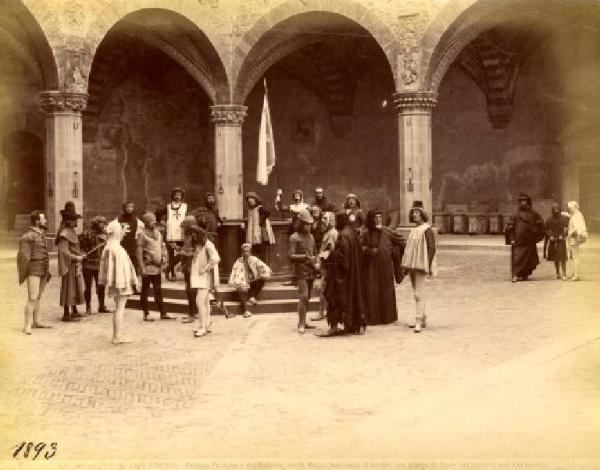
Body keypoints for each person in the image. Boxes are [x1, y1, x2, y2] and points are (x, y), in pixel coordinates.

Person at [318, 211, 366, 336]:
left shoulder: (343, 235)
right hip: (353, 273)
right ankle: (356, 326)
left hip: (342, 274)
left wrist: (329, 255)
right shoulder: (351, 232)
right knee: (354, 298)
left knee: (333, 296)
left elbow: (342, 258)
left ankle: (333, 327)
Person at [360, 209, 404, 325]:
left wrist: (396, 252)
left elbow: (401, 241)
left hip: (385, 269)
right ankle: (373, 319)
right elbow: (359, 247)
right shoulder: (365, 233)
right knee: (372, 291)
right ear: (371, 220)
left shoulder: (387, 231)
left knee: (386, 291)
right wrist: (369, 250)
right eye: (376, 218)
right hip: (371, 269)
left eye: (380, 217)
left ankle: (388, 318)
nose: (378, 220)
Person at [99, 220, 140, 344]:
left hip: (115, 281)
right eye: (121, 231)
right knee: (120, 308)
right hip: (120, 282)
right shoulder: (116, 248)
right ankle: (117, 336)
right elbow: (121, 268)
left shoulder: (109, 245)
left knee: (118, 308)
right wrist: (127, 283)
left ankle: (117, 334)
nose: (123, 234)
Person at [401, 202, 436, 333]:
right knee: (416, 292)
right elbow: (409, 249)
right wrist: (405, 265)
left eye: (417, 212)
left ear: (422, 214)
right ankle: (423, 317)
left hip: (421, 264)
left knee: (418, 293)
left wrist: (427, 264)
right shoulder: (413, 230)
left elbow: (432, 248)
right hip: (412, 264)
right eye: (413, 212)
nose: (414, 214)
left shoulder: (427, 229)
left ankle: (418, 320)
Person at [17, 210, 52, 334]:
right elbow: (24, 257)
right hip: (34, 269)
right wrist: (25, 272)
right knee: (32, 297)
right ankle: (27, 325)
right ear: (37, 221)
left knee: (38, 296)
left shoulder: (41, 234)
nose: (45, 220)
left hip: (43, 269)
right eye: (43, 219)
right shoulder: (27, 237)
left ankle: (37, 321)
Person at [136, 212, 175, 322]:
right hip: (147, 268)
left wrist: (164, 258)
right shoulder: (142, 234)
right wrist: (142, 267)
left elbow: (162, 247)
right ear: (146, 222)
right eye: (151, 221)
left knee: (158, 291)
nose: (154, 222)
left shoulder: (158, 232)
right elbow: (138, 252)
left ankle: (163, 313)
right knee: (145, 291)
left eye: (154, 220)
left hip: (157, 268)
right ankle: (146, 313)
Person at [288, 209, 319, 334]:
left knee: (308, 297)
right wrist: (304, 257)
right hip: (300, 271)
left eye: (310, 224)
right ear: (301, 223)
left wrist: (316, 262)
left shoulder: (311, 237)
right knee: (303, 296)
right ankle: (300, 323)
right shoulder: (294, 237)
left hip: (310, 270)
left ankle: (304, 321)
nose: (309, 226)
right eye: (307, 224)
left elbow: (315, 252)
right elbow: (290, 255)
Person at [504, 193, 545, 282]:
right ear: (519, 203)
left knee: (528, 259)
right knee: (517, 258)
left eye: (525, 201)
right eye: (521, 201)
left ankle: (524, 274)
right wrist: (511, 239)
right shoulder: (515, 215)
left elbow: (540, 224)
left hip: (529, 240)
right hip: (518, 241)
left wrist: (536, 234)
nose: (523, 203)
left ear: (527, 202)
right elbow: (510, 228)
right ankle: (515, 275)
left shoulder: (534, 214)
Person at [189, 224, 220, 337]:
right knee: (205, 301)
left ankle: (202, 327)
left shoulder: (207, 244)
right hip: (198, 277)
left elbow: (216, 259)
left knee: (199, 301)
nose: (192, 236)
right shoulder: (196, 245)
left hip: (206, 276)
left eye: (193, 233)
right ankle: (206, 323)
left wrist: (206, 268)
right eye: (191, 234)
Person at [56, 205, 86, 322]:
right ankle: (66, 313)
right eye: (74, 219)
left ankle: (74, 310)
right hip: (69, 265)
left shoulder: (71, 231)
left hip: (75, 265)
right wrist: (77, 257)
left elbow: (75, 248)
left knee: (76, 288)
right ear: (68, 220)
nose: (76, 221)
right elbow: (64, 252)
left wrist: (81, 253)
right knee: (69, 288)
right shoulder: (64, 233)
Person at [228, 243, 272, 318]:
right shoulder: (238, 261)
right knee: (241, 289)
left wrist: (262, 274)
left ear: (250, 252)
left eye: (247, 251)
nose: (246, 253)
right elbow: (234, 272)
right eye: (244, 251)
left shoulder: (254, 259)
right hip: (242, 282)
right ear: (242, 252)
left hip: (252, 282)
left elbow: (264, 267)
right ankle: (245, 311)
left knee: (262, 279)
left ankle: (252, 297)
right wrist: (236, 282)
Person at [79, 215, 110, 314]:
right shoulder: (86, 233)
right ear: (96, 224)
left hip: (99, 264)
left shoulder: (105, 235)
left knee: (101, 285)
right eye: (102, 223)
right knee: (88, 286)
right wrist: (82, 253)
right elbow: (80, 246)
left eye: (105, 223)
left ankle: (101, 306)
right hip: (88, 264)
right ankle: (88, 307)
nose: (104, 225)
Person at [311, 211, 337, 322]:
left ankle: (323, 313)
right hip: (325, 266)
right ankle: (322, 312)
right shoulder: (327, 232)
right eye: (323, 218)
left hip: (329, 266)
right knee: (322, 290)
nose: (322, 220)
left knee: (324, 290)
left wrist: (320, 260)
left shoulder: (332, 233)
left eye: (325, 218)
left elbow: (331, 251)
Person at [116, 201, 144, 292]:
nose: (129, 209)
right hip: (122, 246)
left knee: (134, 266)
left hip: (132, 246)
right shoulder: (119, 219)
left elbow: (139, 233)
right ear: (124, 208)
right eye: (128, 207)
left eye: (131, 207)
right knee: (123, 266)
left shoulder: (136, 221)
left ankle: (134, 286)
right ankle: (123, 286)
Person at [161, 187, 188, 281]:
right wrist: (163, 222)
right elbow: (159, 215)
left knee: (183, 253)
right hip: (171, 234)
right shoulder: (168, 207)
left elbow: (188, 218)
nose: (178, 196)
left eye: (179, 195)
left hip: (182, 233)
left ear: (182, 196)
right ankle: (172, 273)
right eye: (176, 194)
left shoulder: (185, 206)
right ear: (173, 196)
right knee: (171, 254)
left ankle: (168, 268)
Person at [243, 191, 275, 262]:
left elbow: (267, 212)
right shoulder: (251, 210)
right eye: (249, 200)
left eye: (252, 199)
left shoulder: (260, 208)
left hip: (261, 235)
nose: (250, 201)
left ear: (256, 200)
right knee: (256, 253)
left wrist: (261, 221)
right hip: (254, 234)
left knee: (262, 253)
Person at [179, 215, 199, 323]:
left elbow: (197, 252)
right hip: (187, 265)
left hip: (192, 266)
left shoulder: (195, 236)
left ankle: (192, 313)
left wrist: (184, 253)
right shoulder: (188, 235)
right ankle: (193, 312)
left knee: (191, 289)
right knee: (189, 289)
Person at [543, 203, 569, 281]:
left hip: (561, 241)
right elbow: (547, 230)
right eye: (554, 209)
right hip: (553, 240)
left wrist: (563, 235)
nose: (556, 210)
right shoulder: (549, 219)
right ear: (552, 210)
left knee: (563, 258)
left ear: (560, 209)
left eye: (557, 208)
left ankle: (564, 274)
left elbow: (568, 228)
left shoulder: (564, 218)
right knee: (556, 258)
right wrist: (550, 236)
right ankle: (558, 273)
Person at [567, 200, 588, 281]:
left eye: (570, 208)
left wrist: (573, 232)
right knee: (574, 257)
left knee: (576, 257)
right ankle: (574, 273)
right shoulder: (575, 214)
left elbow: (578, 227)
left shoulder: (577, 215)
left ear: (574, 207)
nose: (569, 209)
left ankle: (576, 275)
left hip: (574, 238)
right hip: (573, 238)